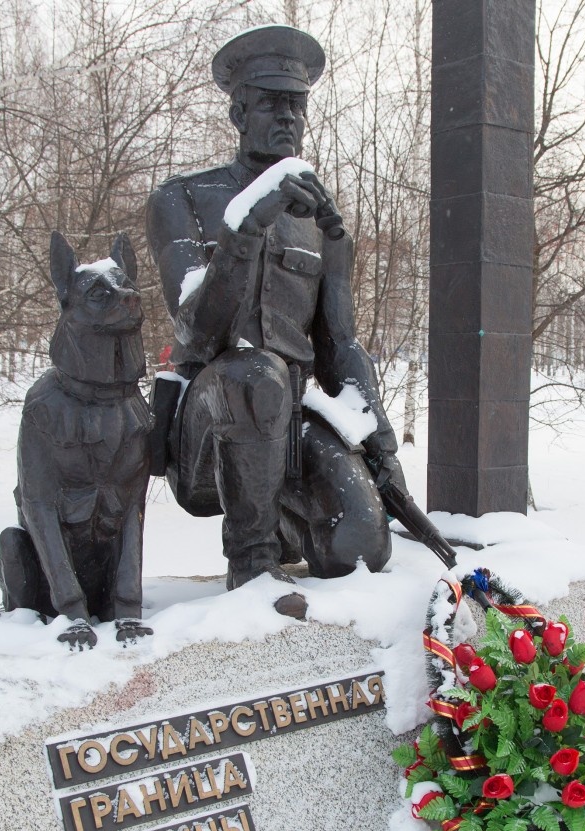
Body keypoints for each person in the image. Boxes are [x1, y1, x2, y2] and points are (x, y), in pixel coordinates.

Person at [146, 24, 407, 618]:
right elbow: (195, 334)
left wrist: (382, 447)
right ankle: (252, 563)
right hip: (209, 423)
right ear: (238, 112)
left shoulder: (319, 219)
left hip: (288, 419)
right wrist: (247, 228)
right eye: (270, 102)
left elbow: (339, 345)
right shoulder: (182, 198)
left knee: (358, 549)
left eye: (296, 104)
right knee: (254, 372)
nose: (287, 116)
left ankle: (283, 522)